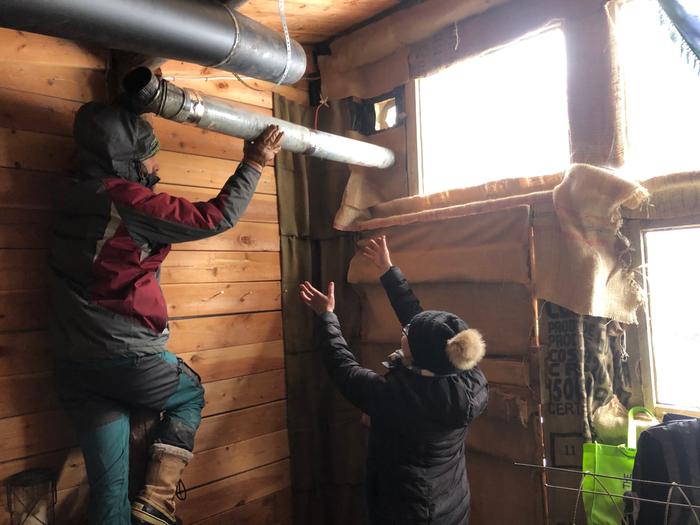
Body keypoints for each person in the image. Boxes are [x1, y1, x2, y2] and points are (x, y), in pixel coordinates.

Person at [48, 101, 283, 525]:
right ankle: (157, 500)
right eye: (149, 156)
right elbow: (216, 216)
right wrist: (254, 163)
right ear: (126, 161)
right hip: (129, 360)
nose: (156, 165)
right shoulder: (128, 202)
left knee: (109, 493)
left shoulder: (68, 192)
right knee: (190, 394)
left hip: (73, 365)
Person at [299, 236, 489, 525]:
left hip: (407, 512)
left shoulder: (396, 398)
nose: (404, 334)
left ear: (416, 354)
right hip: (452, 506)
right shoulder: (468, 377)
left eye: (407, 337)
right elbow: (423, 326)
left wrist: (327, 317)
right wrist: (388, 269)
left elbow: (343, 367)